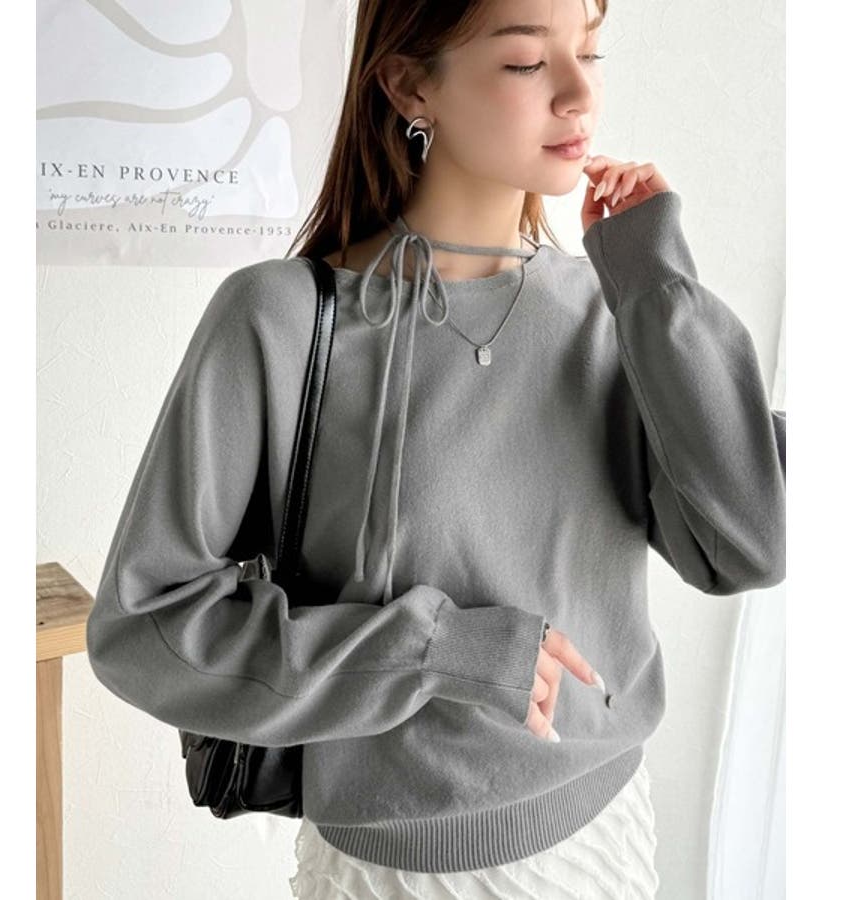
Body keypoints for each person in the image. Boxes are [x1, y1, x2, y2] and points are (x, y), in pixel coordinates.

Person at [85, 0, 786, 896]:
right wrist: (433, 649)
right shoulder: (281, 320)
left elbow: (746, 547)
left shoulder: (614, 309)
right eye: (527, 63)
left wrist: (659, 287)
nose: (579, 94)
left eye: (591, 52)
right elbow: (142, 626)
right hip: (386, 872)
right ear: (410, 84)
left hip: (604, 843)